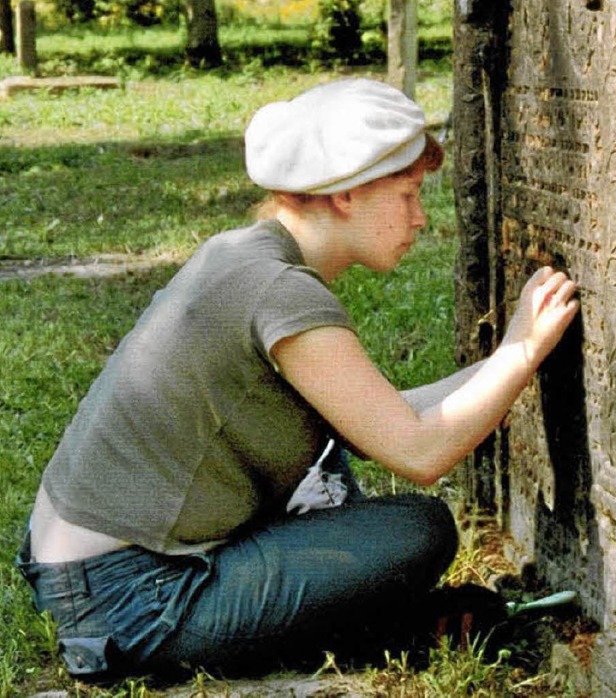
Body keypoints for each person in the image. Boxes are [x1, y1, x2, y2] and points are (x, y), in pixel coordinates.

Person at [17, 78, 579, 679]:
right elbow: (419, 451)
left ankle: (387, 626)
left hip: (83, 574)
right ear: (346, 194)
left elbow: (374, 421)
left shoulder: (242, 254)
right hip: (134, 600)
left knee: (339, 481)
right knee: (420, 528)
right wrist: (519, 351)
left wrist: (517, 359)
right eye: (408, 194)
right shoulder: (280, 291)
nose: (419, 218)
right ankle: (387, 631)